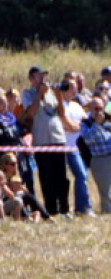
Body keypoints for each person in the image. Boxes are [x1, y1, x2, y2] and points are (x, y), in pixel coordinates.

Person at [20, 65, 71, 216]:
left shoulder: (52, 94)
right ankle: (51, 209)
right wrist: (39, 95)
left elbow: (61, 113)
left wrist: (59, 96)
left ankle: (64, 208)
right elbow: (31, 112)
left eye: (44, 76)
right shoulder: (27, 93)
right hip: (42, 140)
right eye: (39, 76)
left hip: (57, 138)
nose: (43, 79)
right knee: (47, 176)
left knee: (62, 176)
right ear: (31, 79)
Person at [78, 96, 111, 213]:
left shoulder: (109, 120)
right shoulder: (86, 123)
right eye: (95, 108)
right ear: (90, 108)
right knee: (106, 192)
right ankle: (108, 215)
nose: (99, 111)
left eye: (101, 108)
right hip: (101, 159)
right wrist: (97, 124)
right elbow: (88, 139)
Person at [57, 74, 94, 217]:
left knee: (82, 175)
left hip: (75, 148)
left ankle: (83, 207)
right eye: (73, 87)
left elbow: (85, 123)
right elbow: (67, 126)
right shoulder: (59, 106)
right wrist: (76, 126)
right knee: (64, 179)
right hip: (63, 147)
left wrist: (76, 126)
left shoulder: (76, 106)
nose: (76, 90)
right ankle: (64, 208)